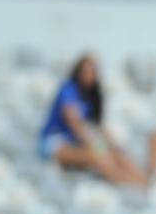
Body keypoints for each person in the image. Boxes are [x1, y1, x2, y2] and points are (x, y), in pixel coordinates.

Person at [39, 54, 146, 186]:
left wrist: (114, 145)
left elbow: (99, 126)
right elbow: (74, 123)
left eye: (93, 72)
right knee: (100, 157)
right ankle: (134, 186)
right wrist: (98, 146)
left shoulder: (91, 96)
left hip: (76, 142)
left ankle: (144, 183)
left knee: (117, 154)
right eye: (86, 71)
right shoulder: (68, 89)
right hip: (55, 142)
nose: (89, 75)